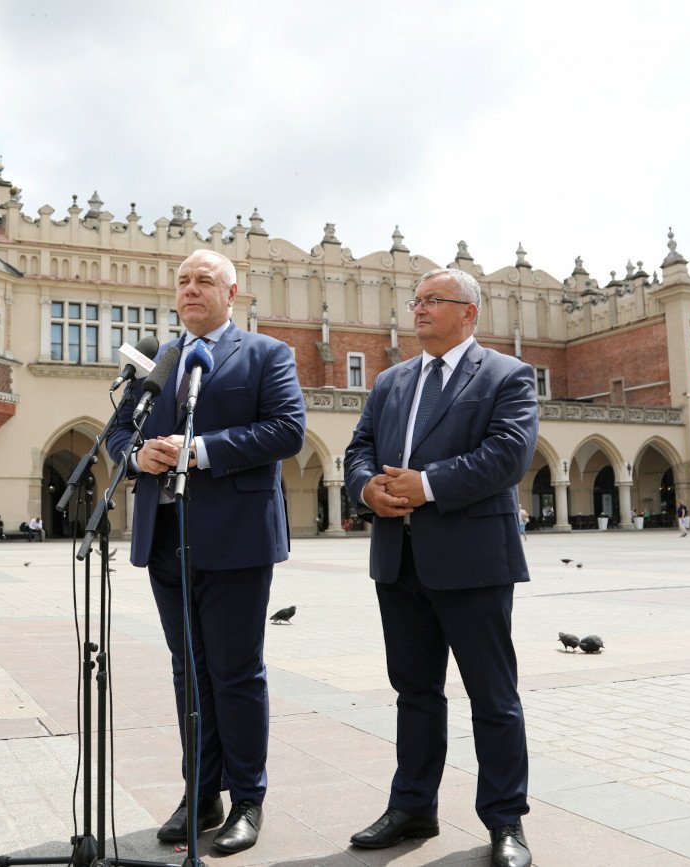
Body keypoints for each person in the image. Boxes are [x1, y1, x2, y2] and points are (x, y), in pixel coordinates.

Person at [106, 249, 305, 854]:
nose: (192, 290)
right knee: (187, 670)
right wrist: (136, 456)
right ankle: (201, 791)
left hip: (236, 538)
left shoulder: (267, 354)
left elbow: (287, 430)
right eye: (184, 281)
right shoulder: (159, 359)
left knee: (236, 672)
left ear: (232, 291)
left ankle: (247, 798)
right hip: (166, 538)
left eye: (205, 281)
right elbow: (117, 431)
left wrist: (197, 450)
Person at [344, 267, 538, 867]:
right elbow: (359, 450)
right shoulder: (391, 381)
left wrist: (427, 485)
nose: (419, 309)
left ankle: (505, 820)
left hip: (473, 560)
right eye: (417, 300)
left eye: (434, 301)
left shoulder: (507, 375)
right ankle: (412, 807)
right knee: (415, 692)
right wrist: (366, 490)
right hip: (398, 561)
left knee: (493, 696)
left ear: (469, 313)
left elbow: (509, 454)